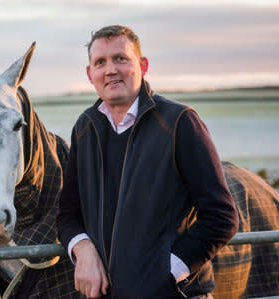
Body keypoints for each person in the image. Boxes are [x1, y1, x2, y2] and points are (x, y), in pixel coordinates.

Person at [56, 25, 239, 298]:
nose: (110, 70)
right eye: (100, 62)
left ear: (142, 65)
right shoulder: (85, 128)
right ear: (89, 74)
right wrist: (83, 249)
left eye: (121, 58)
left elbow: (222, 217)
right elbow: (68, 215)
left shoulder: (179, 122)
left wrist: (167, 274)